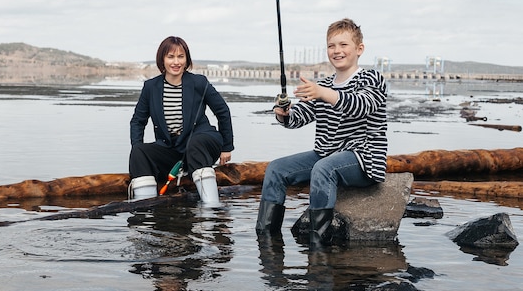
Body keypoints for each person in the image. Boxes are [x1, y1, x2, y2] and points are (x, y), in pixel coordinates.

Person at [255, 18, 387, 248]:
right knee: (276, 169)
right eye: (331, 46)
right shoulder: (324, 84)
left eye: (343, 45)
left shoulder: (371, 78)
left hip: (363, 158)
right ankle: (266, 239)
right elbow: (298, 118)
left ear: (359, 49)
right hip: (326, 154)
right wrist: (284, 113)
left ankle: (318, 242)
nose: (337, 51)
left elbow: (361, 105)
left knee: (324, 168)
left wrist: (323, 93)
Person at [129, 36, 234, 206]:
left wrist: (227, 147)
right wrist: (137, 147)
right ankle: (145, 210)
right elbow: (137, 121)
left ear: (187, 60)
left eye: (180, 56)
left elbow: (222, 111)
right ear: (162, 60)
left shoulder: (199, 82)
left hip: (203, 143)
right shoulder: (151, 87)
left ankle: (212, 209)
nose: (176, 62)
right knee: (139, 152)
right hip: (171, 149)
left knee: (196, 143)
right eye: (171, 57)